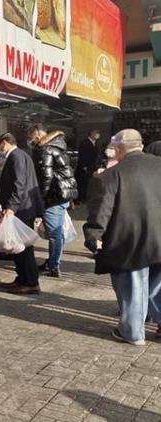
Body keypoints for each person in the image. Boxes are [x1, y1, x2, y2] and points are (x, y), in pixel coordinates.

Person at [84, 129, 161, 346]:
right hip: (159, 237)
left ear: (118, 147)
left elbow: (101, 212)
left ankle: (133, 332)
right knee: (158, 285)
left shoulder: (110, 175)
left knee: (133, 287)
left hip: (129, 241)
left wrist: (93, 235)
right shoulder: (159, 165)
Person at [0, 133, 45, 294]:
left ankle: (30, 282)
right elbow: (9, 183)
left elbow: (19, 184)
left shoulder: (16, 156)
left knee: (23, 247)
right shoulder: (20, 155)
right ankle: (22, 278)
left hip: (22, 209)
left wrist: (12, 207)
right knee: (18, 247)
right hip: (21, 207)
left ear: (5, 143)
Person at [29, 124, 78, 278]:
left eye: (30, 135)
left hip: (54, 196)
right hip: (62, 193)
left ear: (37, 134)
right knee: (57, 231)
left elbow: (46, 177)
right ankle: (52, 262)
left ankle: (53, 266)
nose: (29, 139)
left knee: (55, 233)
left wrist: (41, 198)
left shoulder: (45, 149)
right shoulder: (57, 146)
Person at [76, 129, 100, 201]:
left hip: (92, 167)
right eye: (96, 133)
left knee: (89, 183)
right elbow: (82, 155)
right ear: (91, 134)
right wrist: (84, 166)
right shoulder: (84, 143)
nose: (98, 135)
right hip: (85, 167)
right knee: (83, 183)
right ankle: (81, 198)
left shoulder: (95, 143)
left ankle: (86, 197)